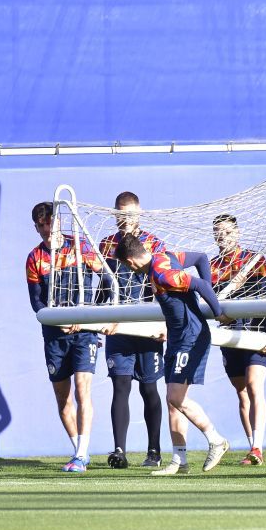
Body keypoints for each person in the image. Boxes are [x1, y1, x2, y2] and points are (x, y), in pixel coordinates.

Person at [116, 235, 234, 475]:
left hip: (190, 337)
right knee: (173, 402)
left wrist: (218, 311)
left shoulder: (161, 273)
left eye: (127, 265)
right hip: (176, 337)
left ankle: (216, 439)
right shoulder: (167, 257)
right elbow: (201, 258)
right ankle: (179, 461)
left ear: (130, 260)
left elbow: (199, 285)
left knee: (176, 397)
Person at [26, 201, 107, 473]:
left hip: (85, 332)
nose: (47, 229)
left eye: (50, 223)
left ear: (59, 222)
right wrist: (55, 319)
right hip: (54, 335)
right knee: (63, 399)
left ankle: (82, 454)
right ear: (36, 227)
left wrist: (91, 314)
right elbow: (36, 302)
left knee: (84, 390)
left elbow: (107, 280)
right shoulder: (34, 258)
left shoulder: (81, 246)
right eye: (41, 225)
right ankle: (77, 450)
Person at [98, 191, 166, 469]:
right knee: (120, 386)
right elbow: (102, 287)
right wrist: (98, 320)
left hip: (147, 327)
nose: (125, 218)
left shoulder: (154, 243)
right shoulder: (105, 245)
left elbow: (162, 284)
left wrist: (162, 323)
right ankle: (119, 451)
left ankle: (154, 451)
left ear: (139, 213)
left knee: (149, 388)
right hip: (118, 327)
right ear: (114, 214)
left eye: (130, 213)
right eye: (120, 213)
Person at [210, 213, 266, 466]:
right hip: (229, 335)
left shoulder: (254, 260)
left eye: (227, 231)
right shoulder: (212, 266)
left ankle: (257, 448)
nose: (222, 236)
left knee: (254, 384)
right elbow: (212, 301)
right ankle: (251, 446)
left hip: (257, 333)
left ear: (237, 233)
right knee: (242, 393)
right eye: (218, 231)